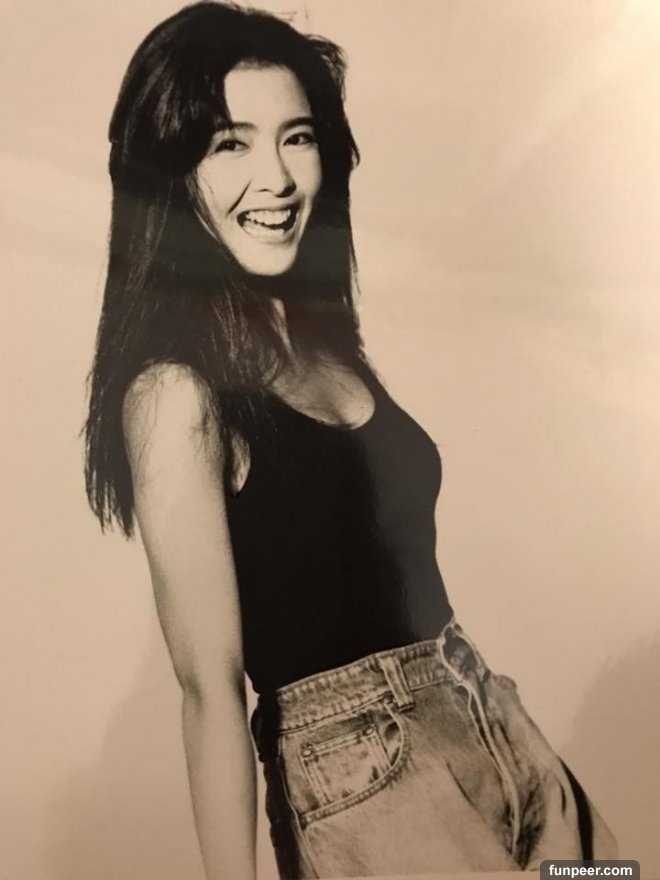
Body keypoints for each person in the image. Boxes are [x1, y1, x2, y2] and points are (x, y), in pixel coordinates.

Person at [84, 3, 618, 878]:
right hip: (372, 784)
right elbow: (208, 691)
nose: (276, 177)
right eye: (230, 144)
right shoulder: (175, 394)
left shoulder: (328, 346)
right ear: (171, 175)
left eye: (296, 138)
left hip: (493, 722)